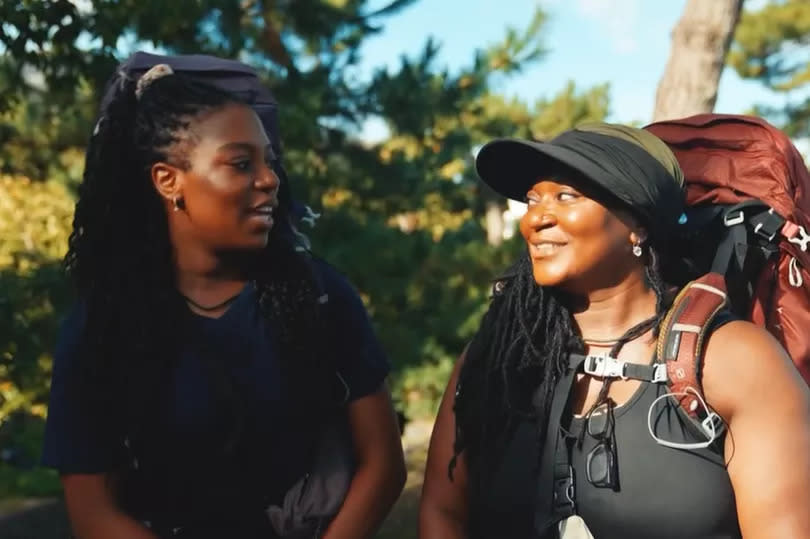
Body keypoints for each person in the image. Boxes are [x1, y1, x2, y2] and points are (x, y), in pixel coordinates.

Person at [42, 60, 405, 538]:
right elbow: (93, 512)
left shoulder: (318, 296)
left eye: (269, 161)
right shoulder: (103, 325)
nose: (270, 179)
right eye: (241, 163)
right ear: (168, 181)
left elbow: (383, 465)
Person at [419, 123, 810, 538]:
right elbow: (444, 512)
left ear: (636, 224)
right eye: (533, 199)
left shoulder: (732, 360)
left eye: (565, 196)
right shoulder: (496, 360)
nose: (536, 218)